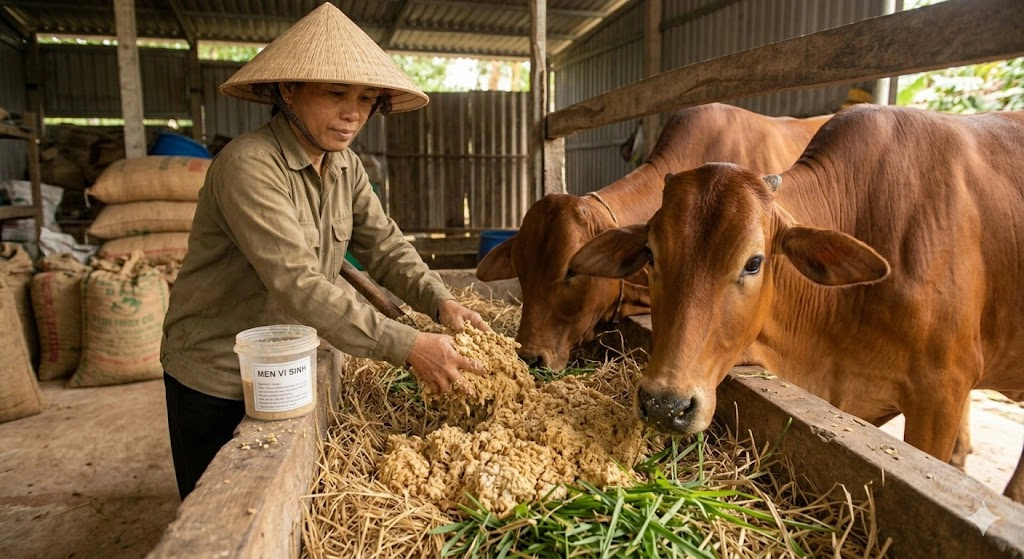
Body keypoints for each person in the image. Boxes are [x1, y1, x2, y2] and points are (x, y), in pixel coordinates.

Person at [160, 2, 489, 501]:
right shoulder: (248, 165)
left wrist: (440, 302)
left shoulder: (344, 165)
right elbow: (298, 283)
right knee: (219, 507)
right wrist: (409, 346)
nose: (353, 112)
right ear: (288, 90)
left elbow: (384, 244)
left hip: (291, 363)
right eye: (335, 93)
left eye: (366, 98)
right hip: (218, 371)